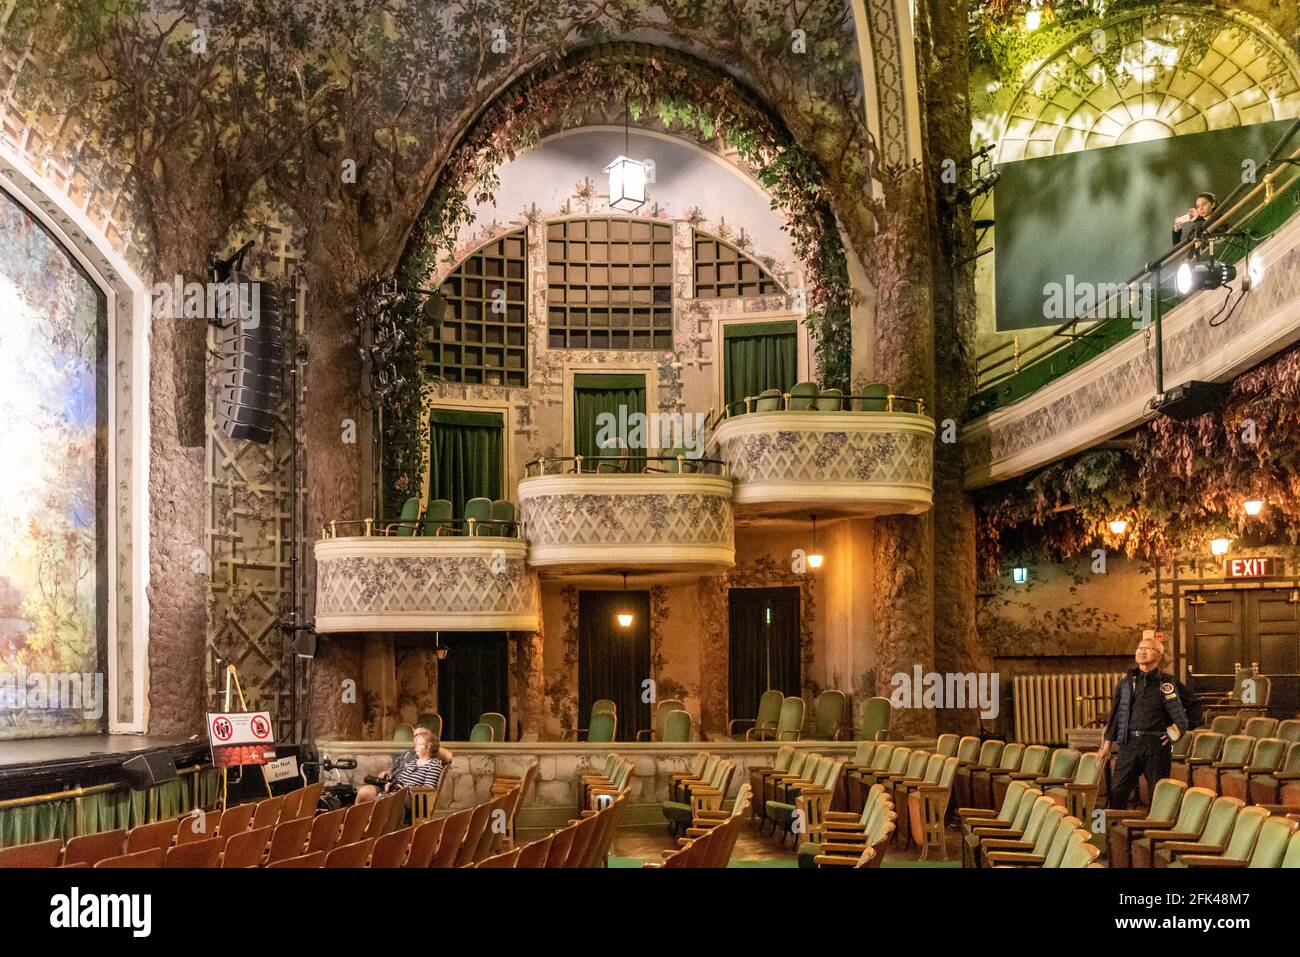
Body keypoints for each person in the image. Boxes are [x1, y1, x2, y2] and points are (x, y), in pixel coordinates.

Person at [1097, 634, 1197, 809]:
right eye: (1139, 648)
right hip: (1129, 744)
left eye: (1147, 649)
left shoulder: (1168, 682)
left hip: (1156, 744)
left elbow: (1195, 705)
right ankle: (1114, 831)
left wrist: (1178, 730)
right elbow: (1115, 716)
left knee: (1159, 793)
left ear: (1159, 656)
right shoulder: (1126, 683)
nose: (1142, 652)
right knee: (1118, 790)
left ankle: (1158, 831)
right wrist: (1106, 745)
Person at [356, 727, 453, 802]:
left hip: (412, 798)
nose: (416, 745)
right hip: (397, 793)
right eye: (416, 738)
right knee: (376, 799)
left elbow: (428, 789)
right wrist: (392, 786)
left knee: (384, 802)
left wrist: (405, 790)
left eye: (420, 743)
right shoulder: (411, 762)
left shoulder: (434, 765)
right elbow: (400, 780)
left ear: (429, 745)